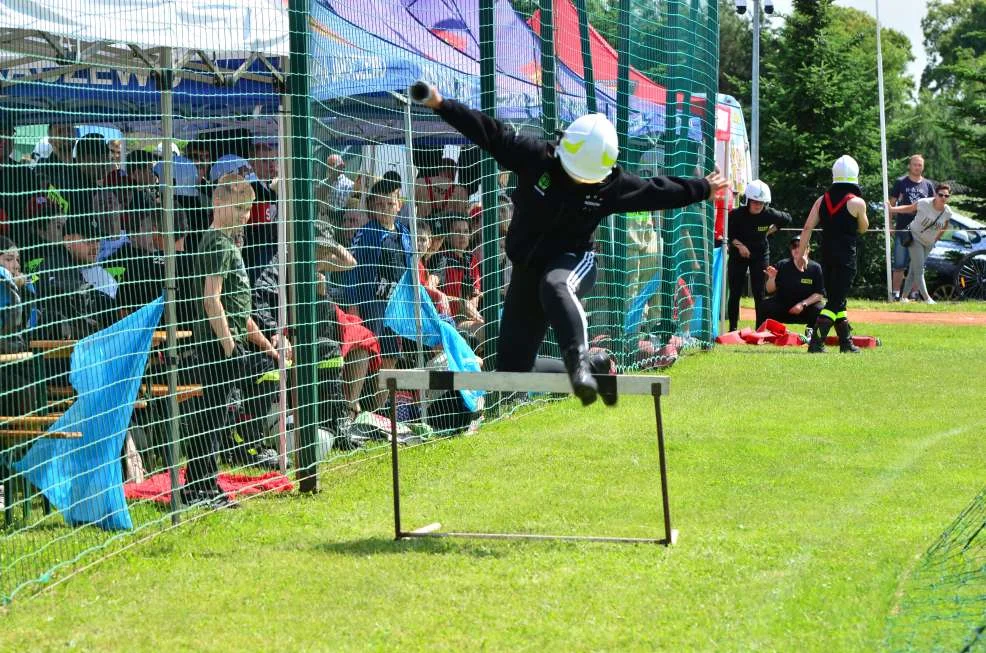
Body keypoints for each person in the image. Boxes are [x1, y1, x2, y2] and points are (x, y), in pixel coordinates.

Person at [414, 82, 727, 404]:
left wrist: (703, 187)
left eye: (587, 178)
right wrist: (440, 104)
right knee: (510, 371)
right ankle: (596, 365)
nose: (580, 181)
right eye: (576, 173)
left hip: (573, 260)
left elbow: (656, 190)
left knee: (555, 284)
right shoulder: (536, 158)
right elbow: (490, 133)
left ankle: (578, 361)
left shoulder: (610, 184)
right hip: (526, 266)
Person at [182, 173, 287, 508]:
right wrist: (230, 348)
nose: (244, 216)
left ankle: (200, 485)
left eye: (247, 210)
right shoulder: (216, 244)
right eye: (239, 208)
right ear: (218, 202)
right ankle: (200, 488)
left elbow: (240, 310)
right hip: (216, 346)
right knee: (212, 417)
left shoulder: (228, 245)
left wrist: (267, 347)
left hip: (230, 342)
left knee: (216, 416)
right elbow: (211, 299)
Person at [341, 177, 413, 405]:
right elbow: (353, 269)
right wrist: (354, 308)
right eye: (380, 205)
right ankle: (352, 405)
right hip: (371, 306)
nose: (385, 210)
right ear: (372, 206)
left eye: (390, 205)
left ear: (399, 205)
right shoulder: (367, 233)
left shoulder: (404, 235)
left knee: (390, 359)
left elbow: (409, 273)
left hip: (394, 309)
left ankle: (380, 409)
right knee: (368, 355)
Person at [795, 155, 869, 354]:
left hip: (826, 257)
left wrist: (800, 255)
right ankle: (816, 343)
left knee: (839, 299)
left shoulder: (822, 200)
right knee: (835, 302)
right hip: (846, 258)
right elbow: (863, 228)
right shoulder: (857, 203)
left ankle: (846, 343)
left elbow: (808, 227)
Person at [726, 179, 792, 332]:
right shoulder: (736, 214)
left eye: (761, 203)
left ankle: (760, 329)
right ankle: (733, 328)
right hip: (738, 255)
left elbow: (787, 218)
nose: (757, 205)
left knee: (759, 292)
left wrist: (770, 231)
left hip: (760, 255)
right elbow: (729, 233)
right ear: (748, 200)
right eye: (755, 202)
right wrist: (740, 246)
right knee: (735, 292)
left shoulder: (769, 214)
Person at [890, 182, 953, 304]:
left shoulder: (947, 211)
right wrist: (892, 209)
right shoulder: (924, 203)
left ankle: (903, 297)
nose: (943, 198)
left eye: (946, 196)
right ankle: (927, 298)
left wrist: (936, 239)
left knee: (914, 270)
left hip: (928, 243)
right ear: (935, 194)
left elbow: (945, 226)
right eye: (941, 195)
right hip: (915, 238)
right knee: (919, 270)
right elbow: (909, 208)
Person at [889, 155, 936, 301]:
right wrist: (890, 225)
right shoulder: (900, 182)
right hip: (903, 229)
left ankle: (914, 295)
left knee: (918, 265)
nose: (917, 167)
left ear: (923, 166)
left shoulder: (928, 185)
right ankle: (896, 294)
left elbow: (934, 207)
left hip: (922, 231)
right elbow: (891, 204)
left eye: (920, 165)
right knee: (899, 263)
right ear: (910, 166)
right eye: (915, 164)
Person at [758, 235, 825, 330]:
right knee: (763, 306)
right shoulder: (782, 265)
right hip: (783, 308)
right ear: (791, 249)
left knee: (820, 309)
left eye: (801, 246)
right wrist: (772, 278)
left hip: (805, 309)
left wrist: (802, 304)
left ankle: (812, 336)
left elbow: (819, 294)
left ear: (808, 249)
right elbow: (769, 290)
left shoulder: (815, 268)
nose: (797, 249)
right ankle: (759, 334)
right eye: (794, 246)